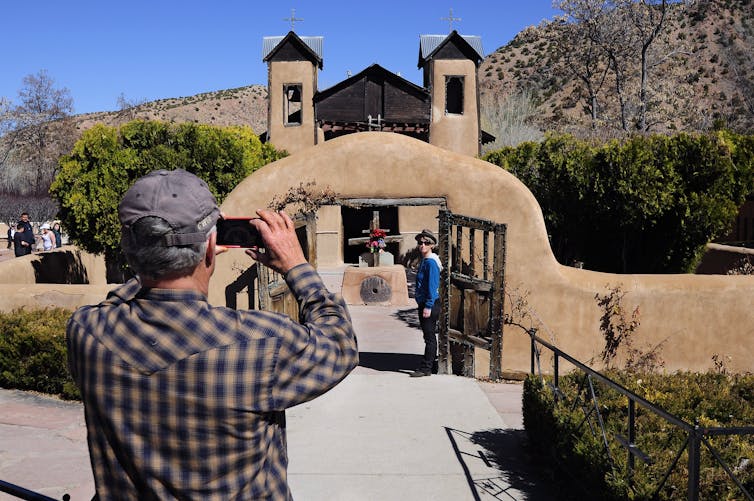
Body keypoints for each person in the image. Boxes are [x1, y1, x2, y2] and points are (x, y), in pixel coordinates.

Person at [66, 169, 359, 499]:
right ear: (211, 247)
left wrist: (154, 264)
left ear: (130, 249)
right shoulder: (260, 344)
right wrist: (295, 265)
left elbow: (116, 300)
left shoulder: (87, 333)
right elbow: (339, 344)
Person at [410, 228, 442, 377]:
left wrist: (428, 305)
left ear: (432, 245)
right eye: (420, 242)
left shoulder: (430, 263)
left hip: (430, 304)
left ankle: (426, 368)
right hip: (425, 303)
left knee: (429, 337)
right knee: (428, 336)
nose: (422, 245)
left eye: (426, 243)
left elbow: (433, 286)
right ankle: (429, 365)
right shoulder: (425, 260)